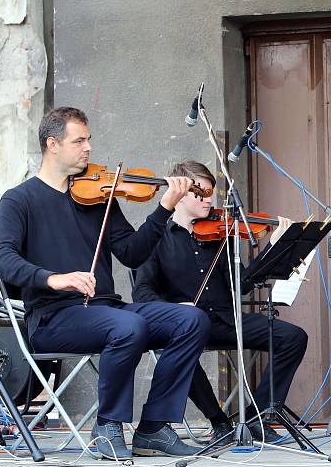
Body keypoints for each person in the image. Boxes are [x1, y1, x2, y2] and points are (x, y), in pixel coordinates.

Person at [0, 107, 209, 460]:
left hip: (108, 311)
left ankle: (153, 427)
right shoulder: (20, 200)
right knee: (128, 325)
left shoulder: (98, 197)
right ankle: (107, 427)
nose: (89, 148)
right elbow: (0, 259)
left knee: (191, 320)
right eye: (79, 140)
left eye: (89, 139)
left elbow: (132, 253)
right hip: (53, 318)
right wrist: (55, 279)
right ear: (53, 145)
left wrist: (164, 208)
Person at [132, 160, 307, 444]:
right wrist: (174, 310)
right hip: (186, 325)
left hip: (225, 320)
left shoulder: (219, 234)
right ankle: (220, 422)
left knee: (293, 337)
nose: (208, 199)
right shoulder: (156, 236)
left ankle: (256, 418)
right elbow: (142, 293)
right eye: (200, 193)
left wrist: (273, 248)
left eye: (211, 192)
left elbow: (243, 286)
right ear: (180, 193)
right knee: (182, 345)